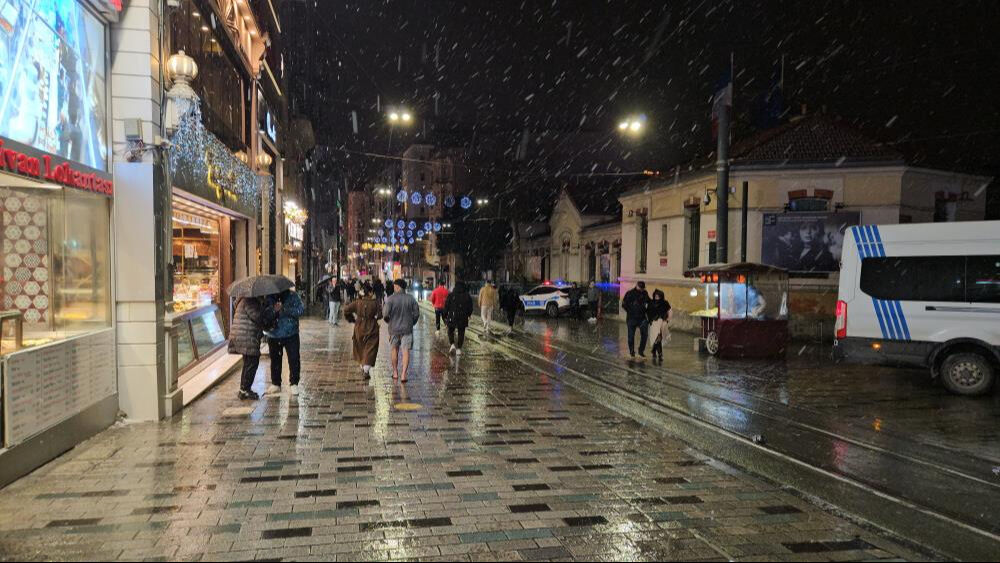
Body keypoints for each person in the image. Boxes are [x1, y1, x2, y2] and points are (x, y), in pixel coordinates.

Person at [229, 295, 280, 400]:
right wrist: (273, 310)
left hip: (244, 335)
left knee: (248, 363)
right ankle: (245, 390)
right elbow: (258, 318)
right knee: (252, 362)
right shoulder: (250, 301)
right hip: (246, 336)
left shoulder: (246, 300)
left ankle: (244, 389)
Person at [265, 289, 305, 395]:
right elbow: (264, 314)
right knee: (275, 360)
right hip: (274, 334)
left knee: (294, 359)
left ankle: (294, 383)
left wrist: (285, 309)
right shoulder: (269, 297)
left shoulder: (292, 295)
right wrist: (274, 310)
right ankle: (276, 383)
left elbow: (301, 310)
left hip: (291, 333)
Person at [382, 279, 421, 382]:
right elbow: (417, 313)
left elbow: (385, 314)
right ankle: (403, 374)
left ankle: (395, 372)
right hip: (407, 329)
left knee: (394, 349)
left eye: (395, 286)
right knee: (405, 351)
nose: (394, 288)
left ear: (398, 287)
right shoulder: (411, 299)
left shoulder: (390, 299)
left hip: (394, 329)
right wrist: (411, 322)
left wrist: (389, 322)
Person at [343, 286, 381, 380]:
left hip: (359, 326)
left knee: (360, 347)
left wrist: (351, 319)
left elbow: (346, 310)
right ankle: (366, 370)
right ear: (370, 293)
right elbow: (381, 314)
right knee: (370, 348)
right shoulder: (376, 303)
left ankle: (363, 367)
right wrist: (375, 318)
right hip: (372, 327)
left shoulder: (357, 303)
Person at [622, 281, 651, 358]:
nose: (642, 290)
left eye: (643, 288)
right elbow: (624, 304)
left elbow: (649, 302)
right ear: (637, 286)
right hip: (632, 318)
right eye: (641, 288)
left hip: (642, 318)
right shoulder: (630, 293)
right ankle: (632, 352)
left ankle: (641, 351)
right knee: (631, 336)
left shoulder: (645, 293)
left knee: (645, 335)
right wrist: (631, 311)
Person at [445, 281, 474, 355]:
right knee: (461, 332)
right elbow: (470, 307)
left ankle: (452, 344)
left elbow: (446, 306)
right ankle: (459, 348)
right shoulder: (467, 296)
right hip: (463, 317)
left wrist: (445, 316)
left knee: (450, 330)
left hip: (452, 316)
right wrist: (468, 314)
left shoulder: (451, 295)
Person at [647, 289, 672, 362]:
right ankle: (660, 354)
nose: (656, 297)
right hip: (654, 323)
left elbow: (669, 311)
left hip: (662, 323)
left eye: (658, 296)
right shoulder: (651, 303)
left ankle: (654, 350)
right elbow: (648, 312)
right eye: (655, 296)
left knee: (658, 339)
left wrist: (667, 320)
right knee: (658, 338)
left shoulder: (665, 303)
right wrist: (650, 320)